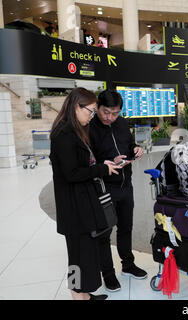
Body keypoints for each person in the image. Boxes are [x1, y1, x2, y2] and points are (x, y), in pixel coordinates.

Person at [49, 88, 121, 300]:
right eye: (89, 111)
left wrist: (101, 164)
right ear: (75, 106)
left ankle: (85, 295)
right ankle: (78, 296)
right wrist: (101, 169)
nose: (91, 116)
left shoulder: (74, 130)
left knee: (84, 257)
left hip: (81, 204)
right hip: (74, 209)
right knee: (76, 259)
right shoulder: (63, 134)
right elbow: (71, 174)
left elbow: (82, 164)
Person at [89, 89, 147, 292]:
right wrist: (108, 163)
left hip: (125, 185)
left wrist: (136, 149)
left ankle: (128, 265)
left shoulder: (121, 123)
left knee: (126, 227)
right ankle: (108, 274)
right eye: (106, 112)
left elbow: (129, 144)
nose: (110, 117)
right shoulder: (89, 128)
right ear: (98, 107)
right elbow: (89, 160)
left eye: (115, 113)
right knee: (105, 232)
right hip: (105, 188)